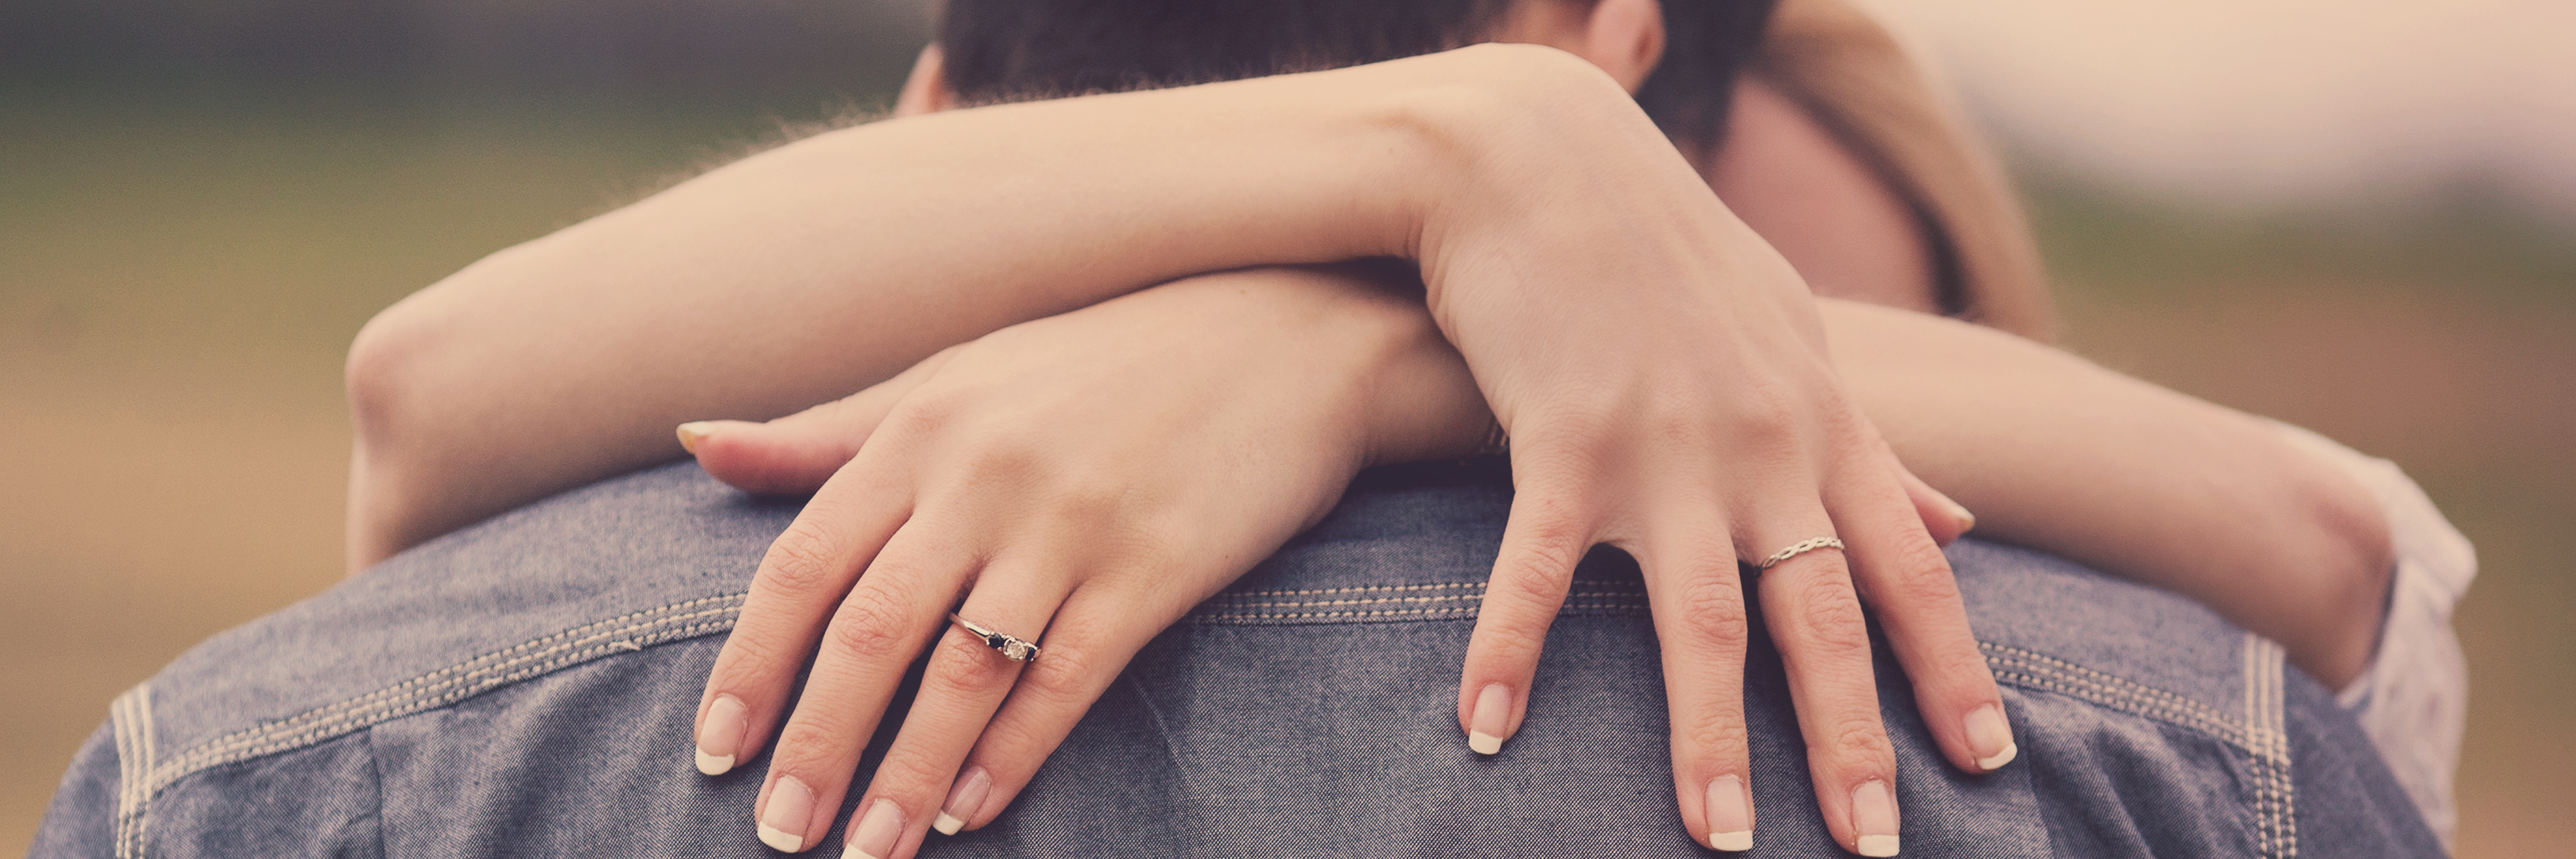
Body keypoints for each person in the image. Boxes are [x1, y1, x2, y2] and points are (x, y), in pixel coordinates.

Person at [38, 0, 2468, 856]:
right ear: (1619, 60)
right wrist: (1460, 186)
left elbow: (416, 409)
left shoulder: (274, 765)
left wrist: (1346, 344)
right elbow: (2359, 576)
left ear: (925, 120)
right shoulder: (2188, 745)